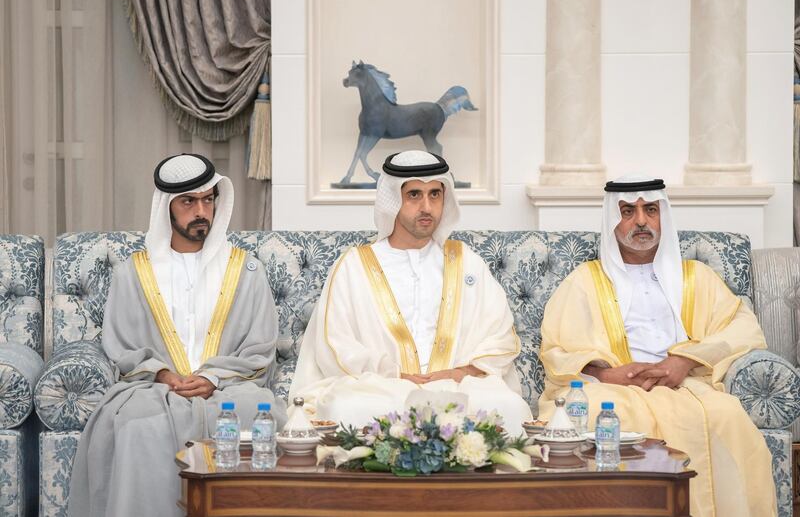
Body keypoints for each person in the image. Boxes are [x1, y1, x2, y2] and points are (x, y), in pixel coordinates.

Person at [539, 175, 776, 517]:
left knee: (726, 415)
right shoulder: (586, 279)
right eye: (627, 211)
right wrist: (607, 373)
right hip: (615, 387)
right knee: (586, 412)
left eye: (650, 210)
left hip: (684, 383)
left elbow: (741, 327)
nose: (640, 221)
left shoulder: (695, 276)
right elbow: (557, 347)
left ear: (662, 215)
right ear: (612, 220)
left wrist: (684, 360)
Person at [68, 154, 287, 517]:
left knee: (254, 411)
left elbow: (260, 347)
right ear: (166, 209)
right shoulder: (132, 273)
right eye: (189, 201)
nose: (201, 210)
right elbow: (122, 346)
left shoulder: (247, 270)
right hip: (154, 388)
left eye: (208, 200)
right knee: (137, 423)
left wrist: (212, 377)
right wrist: (164, 375)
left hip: (227, 388)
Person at [289, 150, 532, 433]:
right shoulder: (354, 265)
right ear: (392, 200)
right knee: (346, 409)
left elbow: (500, 335)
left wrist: (458, 373)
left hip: (458, 388)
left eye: (435, 195)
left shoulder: (466, 262)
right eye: (414, 195)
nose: (427, 207)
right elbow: (335, 344)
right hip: (381, 389)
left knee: (511, 408)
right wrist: (398, 377)